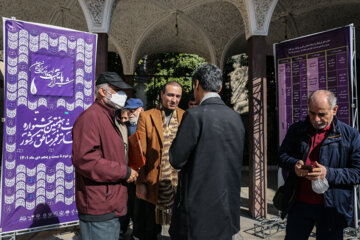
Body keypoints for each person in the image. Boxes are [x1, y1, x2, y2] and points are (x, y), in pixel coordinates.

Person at [169, 64, 245, 240]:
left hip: (198, 212)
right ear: (219, 88)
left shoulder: (194, 116)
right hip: (228, 210)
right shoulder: (235, 117)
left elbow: (176, 159)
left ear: (196, 85)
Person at [279, 89, 360, 240]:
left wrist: (327, 173)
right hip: (299, 205)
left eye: (322, 114)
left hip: (332, 208)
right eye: (312, 113)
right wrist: (294, 165)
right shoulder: (297, 130)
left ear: (334, 110)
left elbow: (357, 173)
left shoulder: (350, 135)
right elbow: (282, 156)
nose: (316, 119)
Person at [72, 72, 139, 240]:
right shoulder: (91, 117)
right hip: (99, 205)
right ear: (102, 92)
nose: (122, 95)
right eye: (117, 90)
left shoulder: (109, 117)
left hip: (110, 204)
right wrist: (124, 172)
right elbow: (86, 160)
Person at [133, 81, 184, 240]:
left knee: (178, 228)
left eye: (177, 96)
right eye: (170, 95)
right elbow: (139, 152)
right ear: (162, 95)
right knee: (149, 228)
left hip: (178, 182)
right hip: (153, 180)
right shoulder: (147, 116)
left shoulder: (186, 116)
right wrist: (140, 183)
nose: (173, 99)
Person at [119, 98, 144, 238]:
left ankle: (137, 230)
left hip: (141, 172)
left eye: (133, 110)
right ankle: (123, 228)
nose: (130, 113)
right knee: (125, 202)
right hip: (126, 170)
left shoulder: (145, 124)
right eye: (128, 110)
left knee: (138, 205)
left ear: (141, 109)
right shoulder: (124, 125)